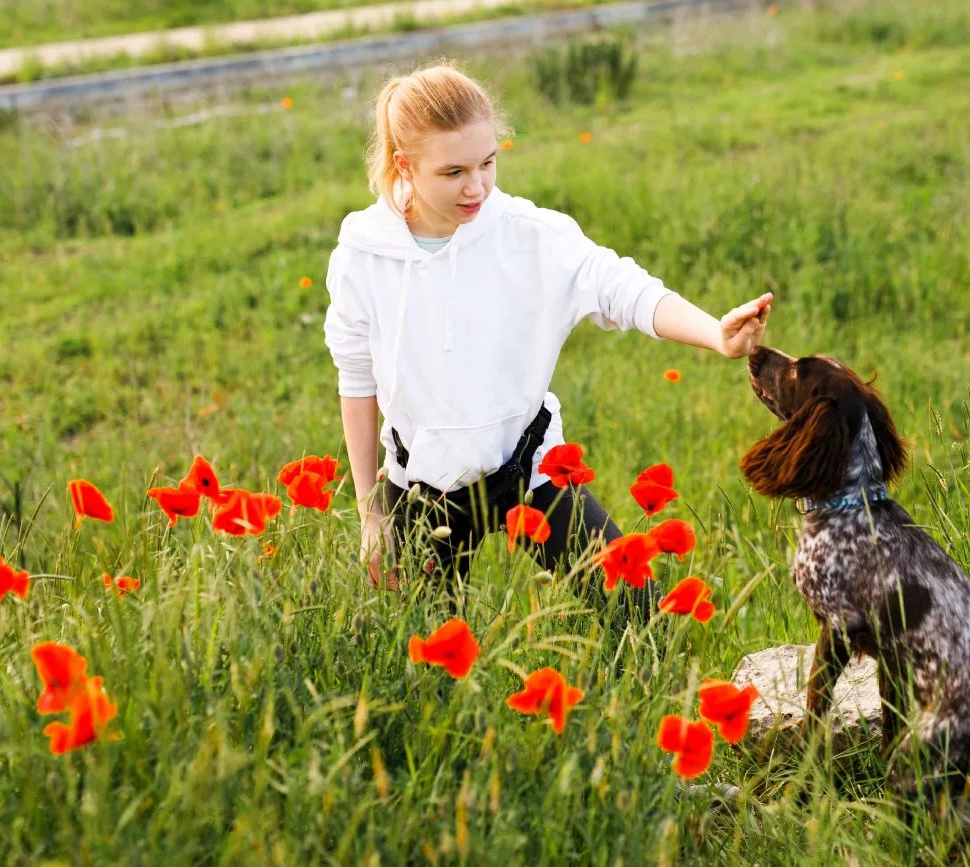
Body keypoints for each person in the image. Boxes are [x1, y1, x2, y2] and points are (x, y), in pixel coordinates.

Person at [323, 61, 771, 608]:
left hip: (527, 466)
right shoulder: (363, 255)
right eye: (453, 172)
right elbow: (357, 378)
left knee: (639, 614)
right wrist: (372, 515)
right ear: (405, 167)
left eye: (488, 163)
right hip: (421, 485)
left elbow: (621, 289)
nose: (476, 186)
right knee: (423, 663)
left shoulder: (532, 236)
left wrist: (714, 333)